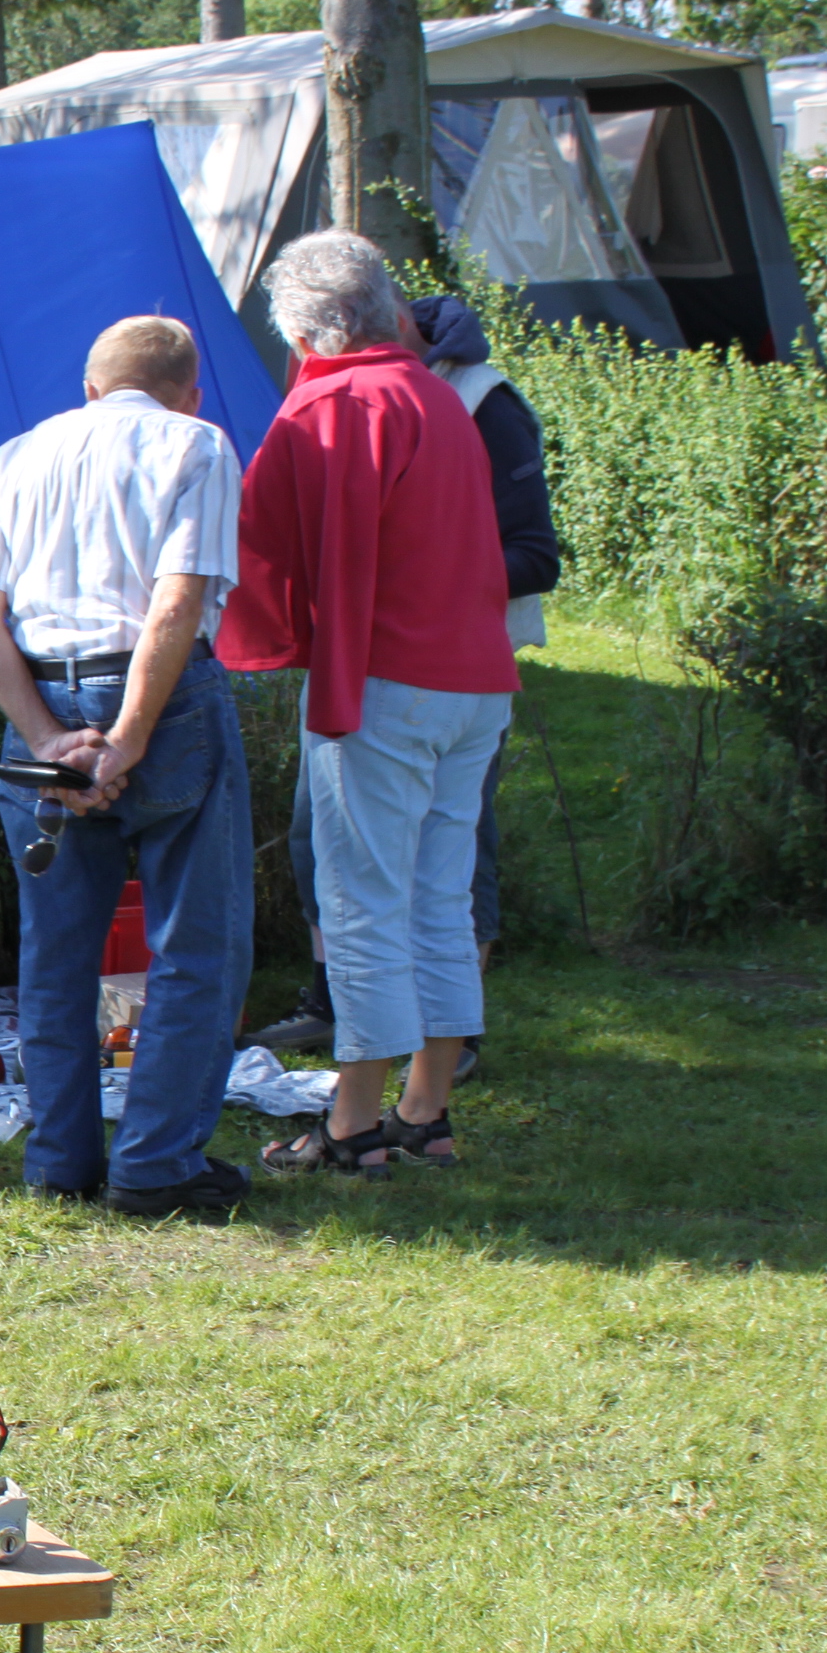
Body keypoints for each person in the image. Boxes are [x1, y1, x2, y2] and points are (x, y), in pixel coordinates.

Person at [218, 232, 518, 1179]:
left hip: (388, 679)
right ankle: (425, 1110)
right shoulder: (438, 393)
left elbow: (263, 538)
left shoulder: (337, 402)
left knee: (362, 903)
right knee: (440, 898)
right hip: (475, 676)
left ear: (311, 332)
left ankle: (351, 1125)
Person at [0, 313, 256, 1221]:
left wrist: (49, 738)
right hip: (163, 700)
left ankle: (60, 1161)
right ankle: (156, 1164)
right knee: (197, 945)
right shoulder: (196, 445)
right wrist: (125, 737)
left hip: (40, 697)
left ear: (90, 389)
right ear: (189, 394)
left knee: (55, 952)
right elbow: (176, 602)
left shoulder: (18, 456)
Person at [249, 290, 560, 1071]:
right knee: (329, 849)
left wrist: (419, 574)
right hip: (376, 662)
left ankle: (427, 1063)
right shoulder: (367, 391)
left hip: (440, 665)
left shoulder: (477, 399)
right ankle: (353, 1023)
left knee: (432, 877)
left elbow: (535, 554)